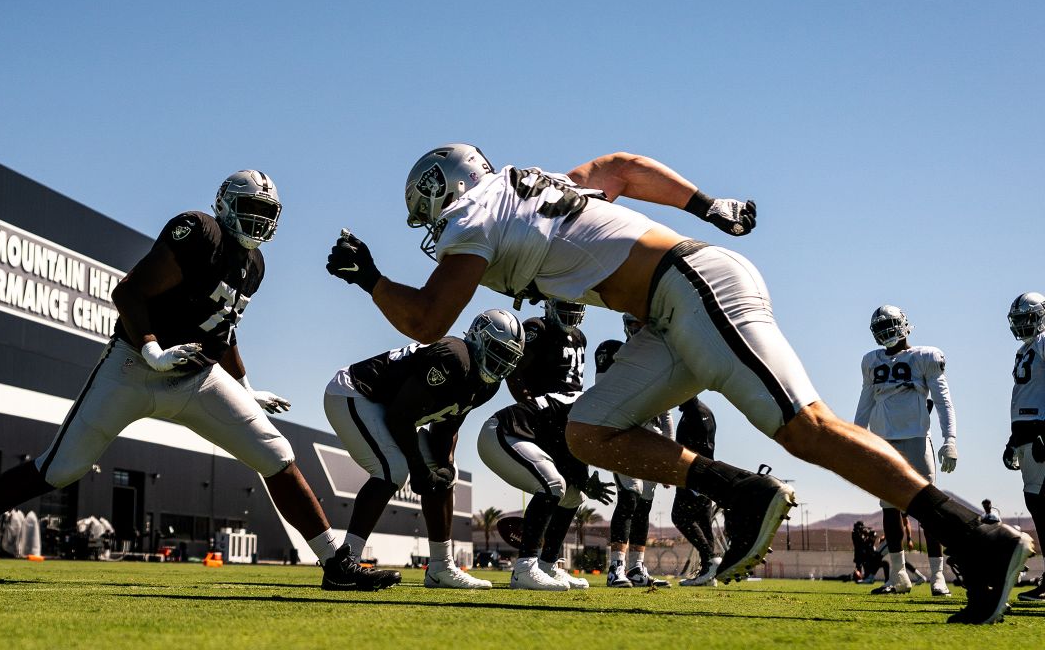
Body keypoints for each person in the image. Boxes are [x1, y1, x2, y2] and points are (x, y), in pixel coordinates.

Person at [325, 143, 1034, 624]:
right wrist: (709, 203)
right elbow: (622, 169)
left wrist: (369, 279)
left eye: (428, 209)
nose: (432, 226)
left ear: (441, 192)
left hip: (693, 291)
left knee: (804, 429)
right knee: (587, 430)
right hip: (667, 313)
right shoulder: (524, 193)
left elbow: (426, 319)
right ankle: (742, 492)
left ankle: (978, 538)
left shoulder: (476, 213)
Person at [0, 171, 399, 592]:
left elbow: (222, 330)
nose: (258, 219)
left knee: (277, 455)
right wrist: (154, 350)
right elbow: (130, 293)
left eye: (266, 211)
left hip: (198, 377)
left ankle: (336, 564)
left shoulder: (254, 265)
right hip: (135, 366)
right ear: (224, 205)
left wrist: (245, 387)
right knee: (58, 469)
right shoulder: (197, 231)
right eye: (249, 207)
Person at [324, 308, 525, 589]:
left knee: (444, 474)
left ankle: (441, 567)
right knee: (393, 469)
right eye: (497, 351)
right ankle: (344, 563)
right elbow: (400, 416)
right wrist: (419, 470)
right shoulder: (454, 357)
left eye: (508, 357)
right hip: (356, 392)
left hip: (391, 408)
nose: (501, 363)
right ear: (478, 338)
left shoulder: (487, 386)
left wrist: (444, 466)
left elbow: (447, 424)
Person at [478, 299, 614, 590]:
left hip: (548, 424)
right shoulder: (536, 329)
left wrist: (584, 480)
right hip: (519, 426)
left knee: (572, 496)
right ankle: (525, 568)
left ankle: (546, 565)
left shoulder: (580, 386)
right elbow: (515, 369)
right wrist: (530, 404)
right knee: (555, 485)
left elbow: (572, 442)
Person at [853, 305, 957, 597]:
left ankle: (938, 576)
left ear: (904, 325)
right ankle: (898, 575)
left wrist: (950, 438)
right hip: (884, 442)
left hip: (916, 439)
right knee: (889, 508)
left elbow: (943, 401)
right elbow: (865, 403)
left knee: (928, 511)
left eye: (890, 325)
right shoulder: (870, 361)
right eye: (880, 327)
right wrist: (856, 440)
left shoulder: (924, 357)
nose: (886, 332)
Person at [597, 316, 671, 588]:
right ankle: (615, 567)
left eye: (643, 324)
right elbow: (605, 395)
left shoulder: (659, 357)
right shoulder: (613, 352)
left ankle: (636, 568)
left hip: (651, 437)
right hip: (625, 433)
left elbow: (666, 411)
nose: (638, 329)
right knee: (630, 496)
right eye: (634, 323)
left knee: (645, 505)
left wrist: (668, 451)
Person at [1004, 292, 1045, 602]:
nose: (1021, 325)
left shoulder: (1043, 342)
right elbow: (1022, 400)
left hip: (1040, 433)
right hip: (1026, 436)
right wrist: (1012, 440)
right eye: (1017, 320)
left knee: (1041, 504)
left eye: (1026, 319)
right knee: (1036, 502)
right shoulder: (1025, 349)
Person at [671, 396, 719, 586]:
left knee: (680, 517)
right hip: (694, 476)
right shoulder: (691, 411)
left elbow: (704, 450)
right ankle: (709, 573)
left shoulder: (699, 413)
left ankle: (710, 561)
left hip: (694, 477)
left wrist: (695, 482)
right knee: (703, 523)